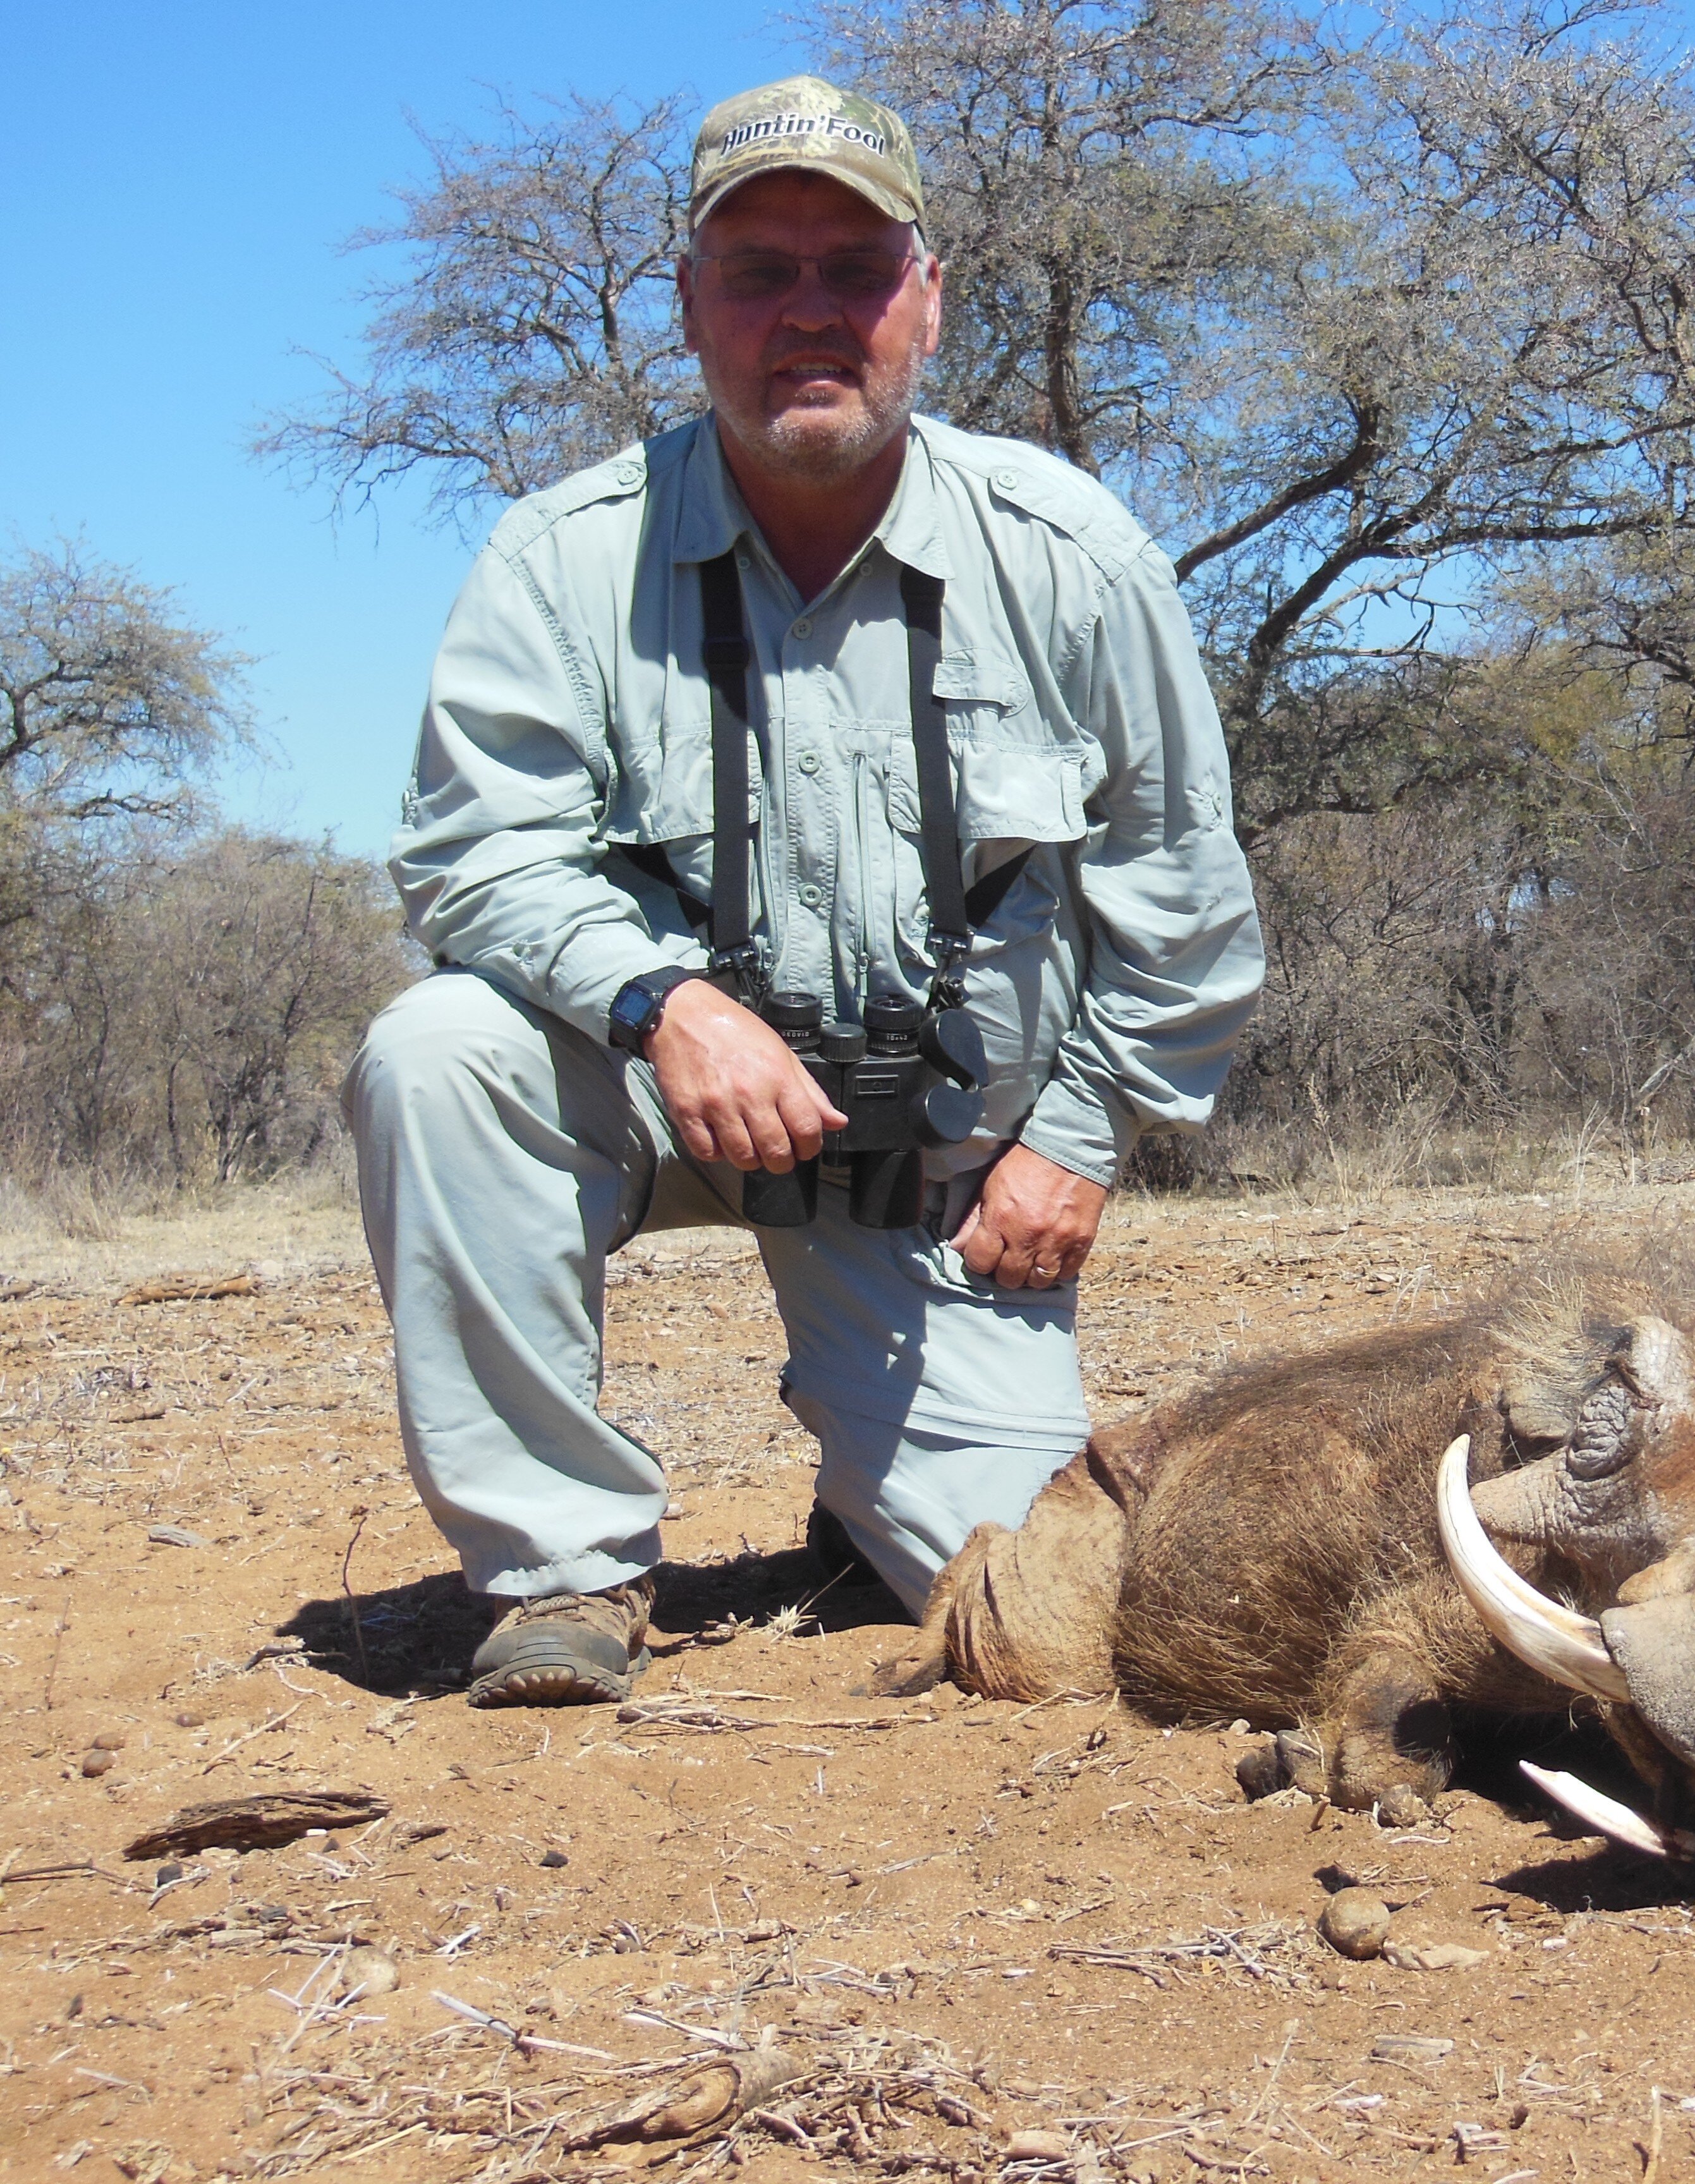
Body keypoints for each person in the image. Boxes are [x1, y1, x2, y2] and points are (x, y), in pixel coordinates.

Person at [344, 75, 1263, 1706]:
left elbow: (1182, 897)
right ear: (689, 307)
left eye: (855, 267)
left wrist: (1078, 1141)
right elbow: (472, 856)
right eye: (758, 271)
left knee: (1043, 1622)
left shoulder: (1075, 555)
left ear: (927, 296)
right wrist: (661, 1000)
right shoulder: (561, 559)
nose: (809, 313)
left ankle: (870, 1501)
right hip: (655, 1098)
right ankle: (560, 1572)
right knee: (437, 1053)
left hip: (940, 1168)